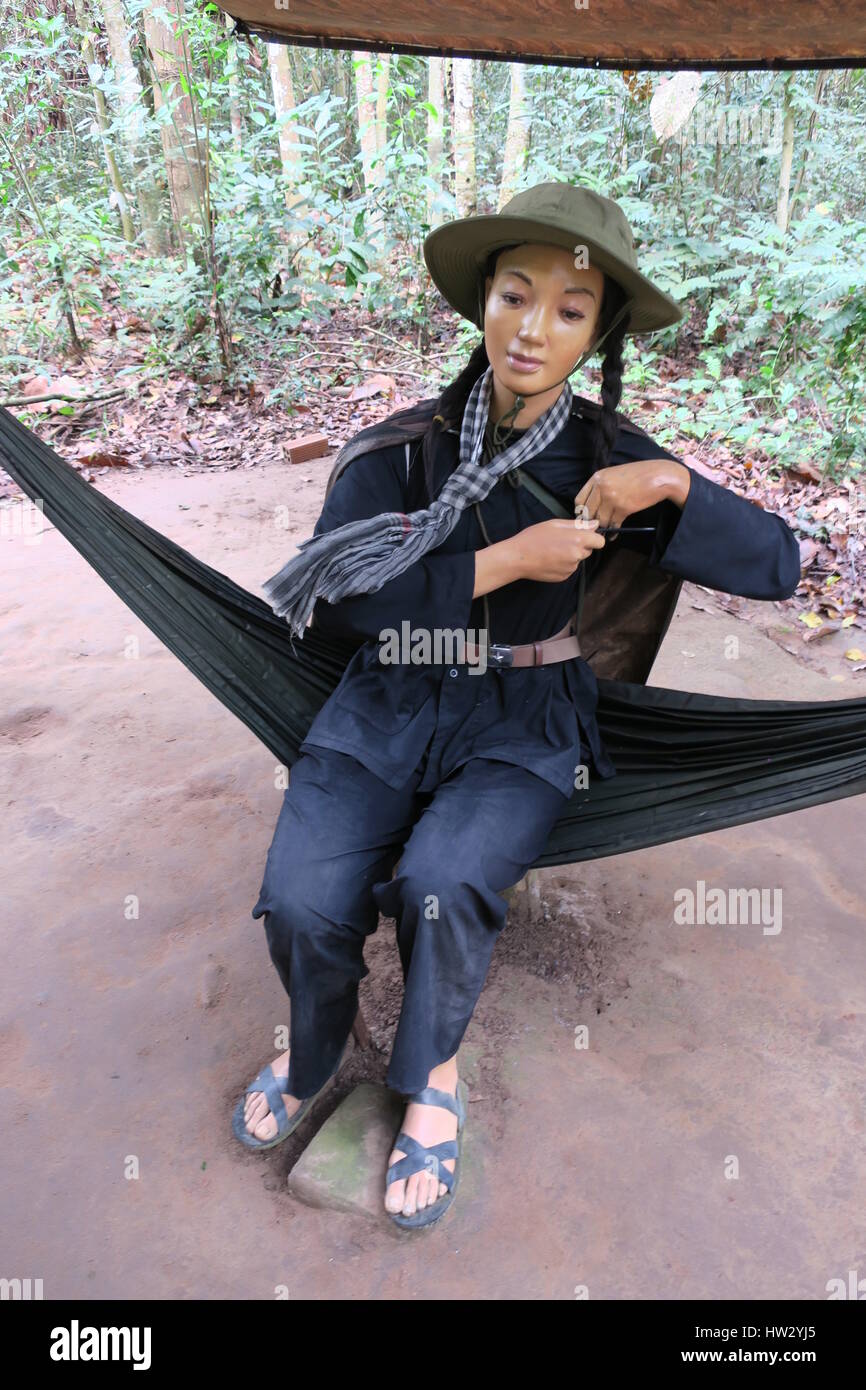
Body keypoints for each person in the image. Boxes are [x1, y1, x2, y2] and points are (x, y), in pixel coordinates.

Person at [233, 183, 801, 1229]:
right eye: (513, 294)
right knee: (303, 900)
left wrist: (672, 483)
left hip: (526, 714)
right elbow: (340, 606)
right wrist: (502, 561)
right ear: (480, 305)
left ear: (598, 333)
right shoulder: (399, 451)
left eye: (569, 309)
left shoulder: (611, 464)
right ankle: (308, 1045)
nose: (534, 327)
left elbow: (777, 564)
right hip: (390, 690)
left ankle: (430, 1076)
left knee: (441, 884)